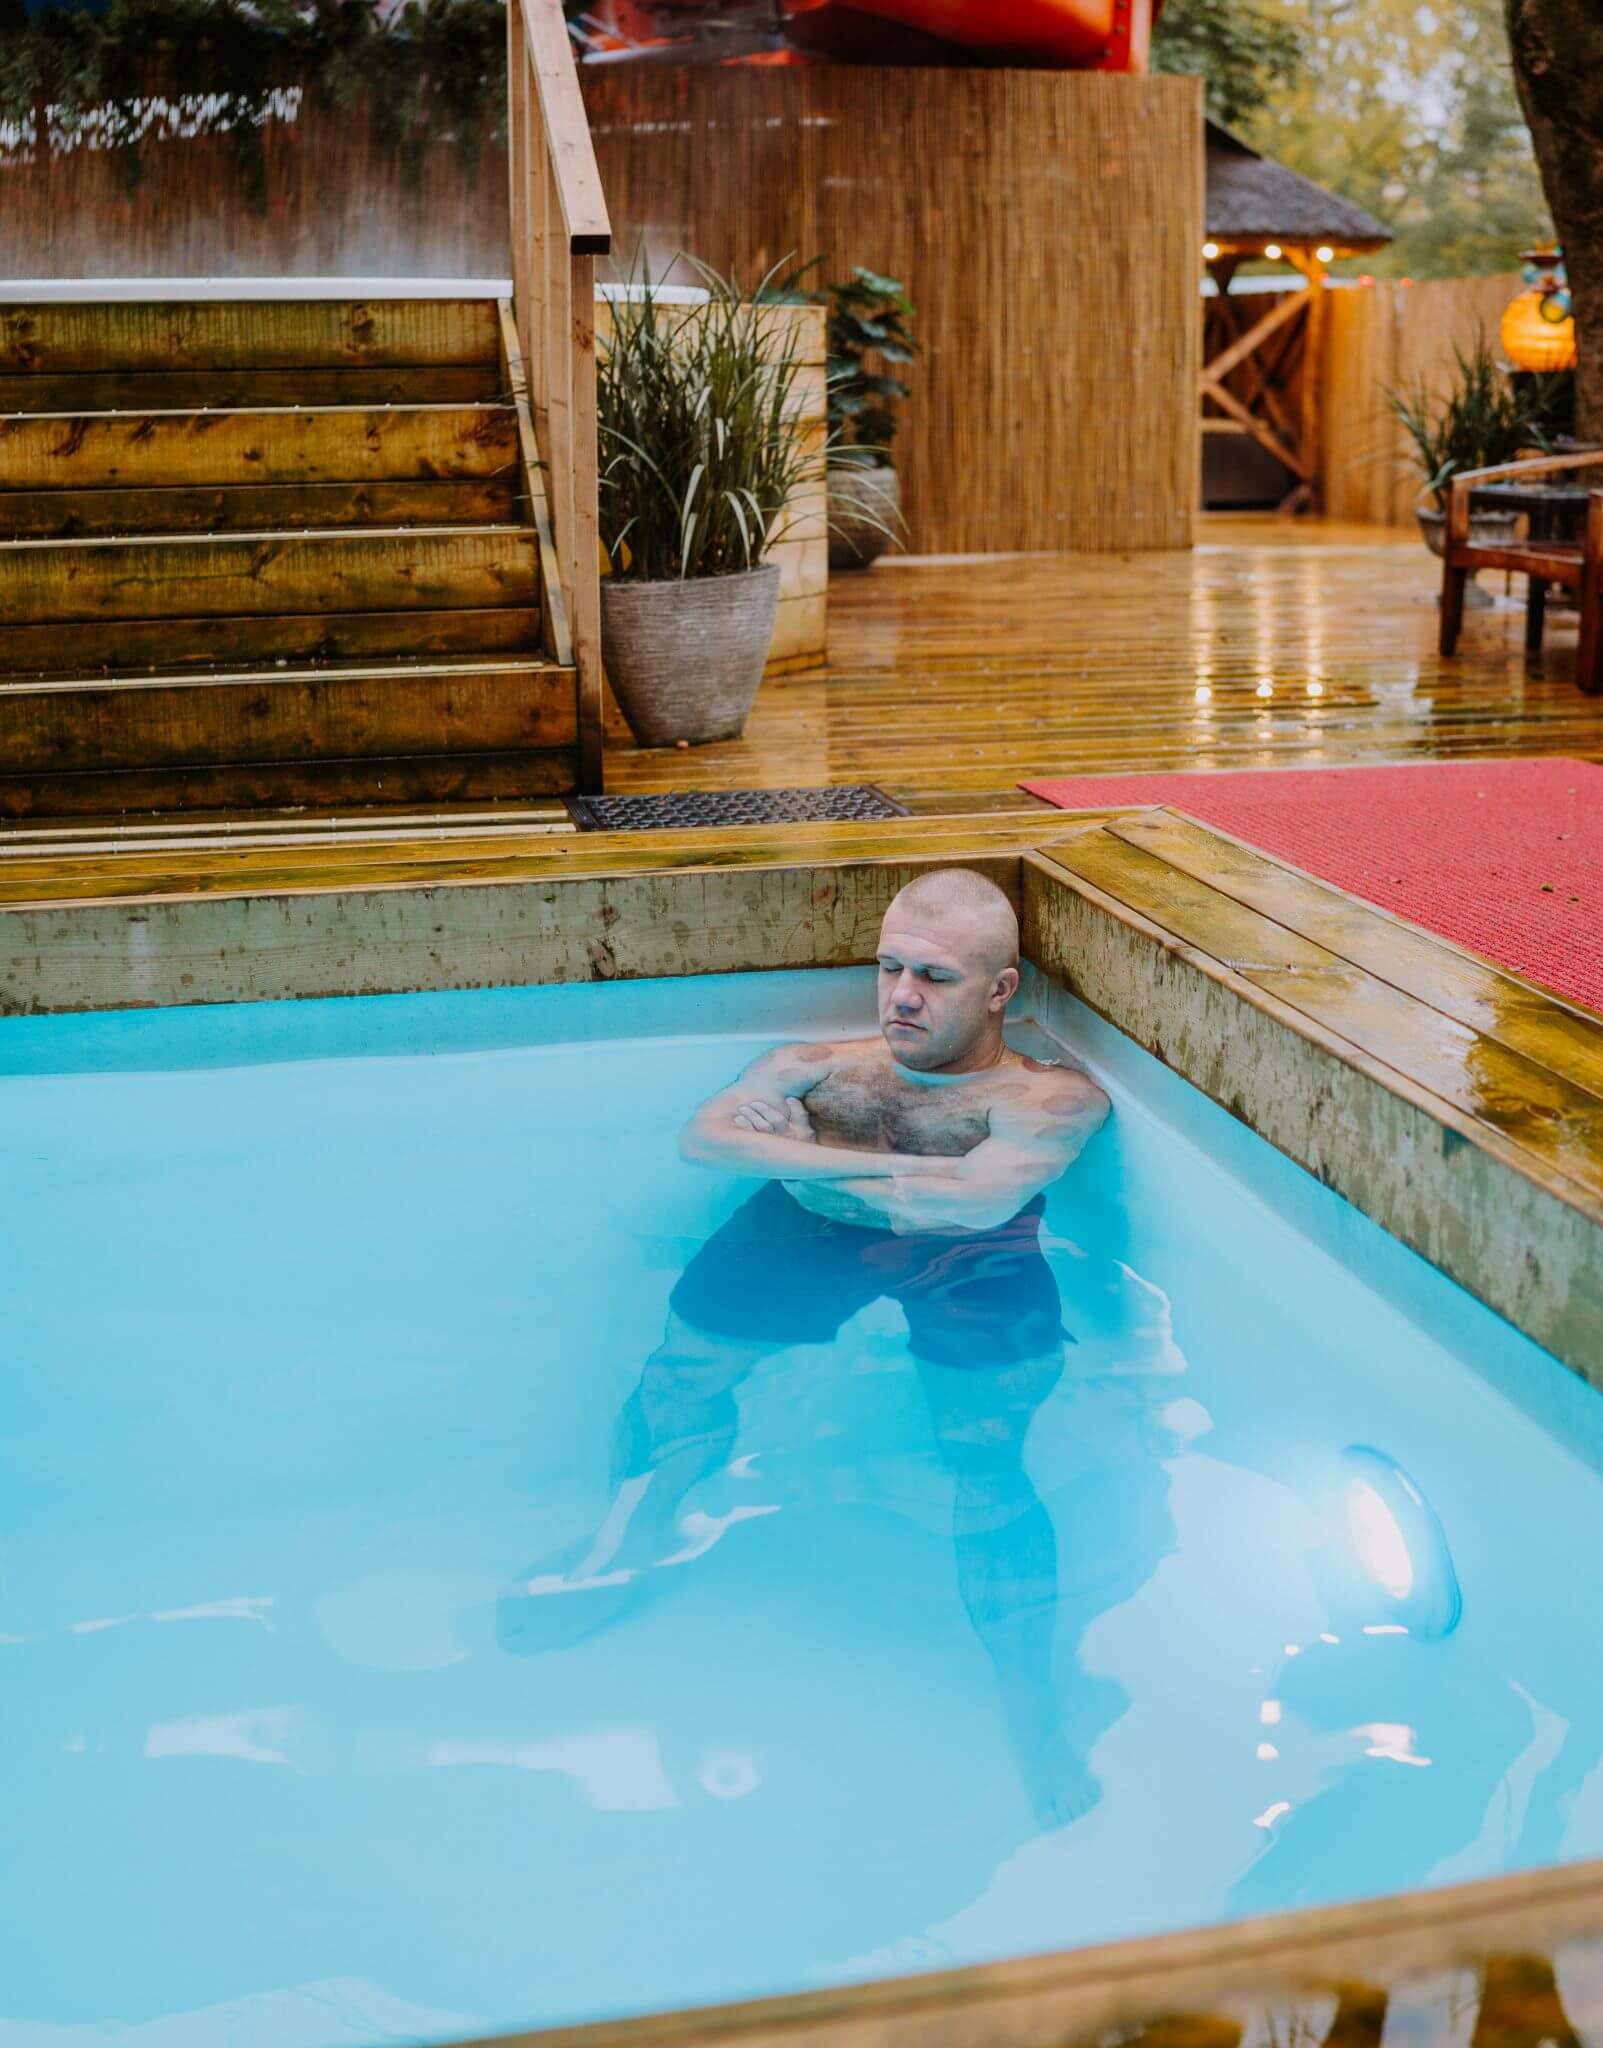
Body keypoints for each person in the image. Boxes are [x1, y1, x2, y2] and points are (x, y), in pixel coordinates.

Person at [501, 868, 1114, 1823]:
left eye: (934, 978)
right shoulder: (817, 1063)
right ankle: (624, 1542)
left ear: (1000, 990)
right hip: (808, 1230)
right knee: (679, 1374)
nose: (900, 995)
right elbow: (705, 1142)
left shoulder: (1051, 1098)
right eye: (889, 967)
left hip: (970, 1256)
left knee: (987, 1452)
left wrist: (802, 1154)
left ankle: (1027, 1699)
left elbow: (975, 1204)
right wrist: (894, 1171)